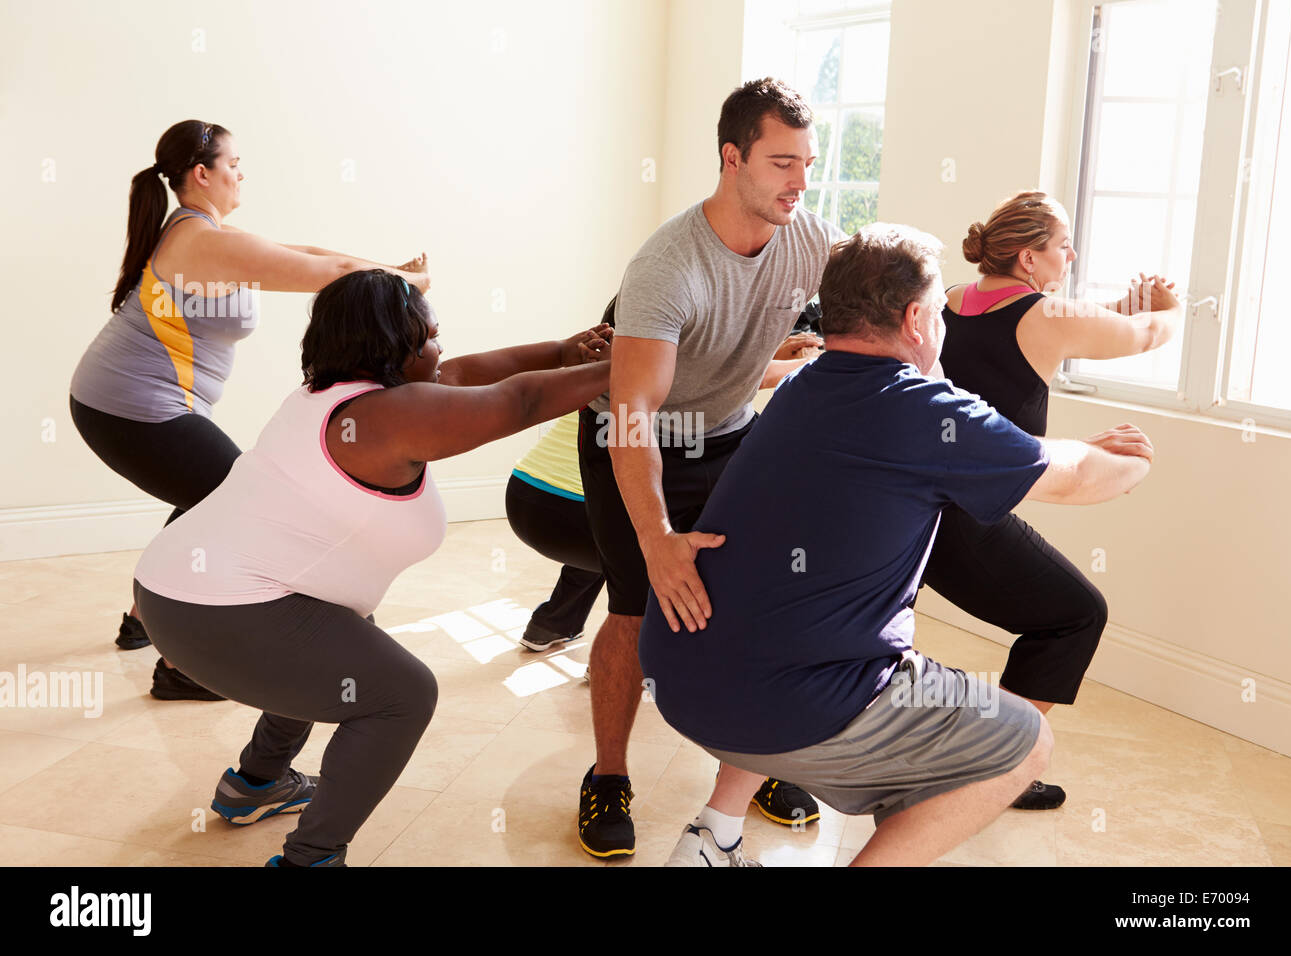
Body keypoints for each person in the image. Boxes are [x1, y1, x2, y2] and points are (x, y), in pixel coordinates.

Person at [639, 224, 1155, 866]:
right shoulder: (921, 411)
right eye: (938, 313)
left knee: (844, 637)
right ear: (915, 319)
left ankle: (711, 839)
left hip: (681, 675)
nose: (942, 325)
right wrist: (1131, 460)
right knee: (1024, 742)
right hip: (783, 705)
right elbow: (1076, 477)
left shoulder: (803, 385)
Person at [132, 268, 612, 867]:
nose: (442, 349)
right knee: (402, 694)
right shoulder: (390, 417)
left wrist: (566, 351)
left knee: (339, 636)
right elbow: (520, 399)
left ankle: (256, 783)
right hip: (216, 616)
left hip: (173, 591)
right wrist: (632, 362)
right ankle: (312, 857)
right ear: (395, 346)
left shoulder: (331, 395)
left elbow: (466, 373)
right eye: (431, 336)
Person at [575, 77, 845, 859]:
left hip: (730, 434)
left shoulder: (811, 239)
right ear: (732, 158)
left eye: (809, 162)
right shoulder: (667, 265)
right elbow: (632, 415)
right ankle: (608, 775)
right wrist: (658, 536)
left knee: (761, 601)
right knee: (635, 608)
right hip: (637, 438)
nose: (800, 181)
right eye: (782, 162)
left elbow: (876, 304)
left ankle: (752, 759)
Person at [70, 119, 431, 701]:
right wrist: (405, 280)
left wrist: (388, 266)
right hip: (127, 404)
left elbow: (310, 254)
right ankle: (181, 666)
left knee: (209, 495)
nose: (242, 173)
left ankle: (144, 615)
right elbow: (329, 275)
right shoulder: (200, 240)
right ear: (202, 173)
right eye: (233, 163)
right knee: (229, 500)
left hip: (135, 402)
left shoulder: (207, 233)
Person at [922, 190, 1183, 809]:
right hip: (965, 518)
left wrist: (1122, 307)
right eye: (1063, 245)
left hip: (914, 506)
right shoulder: (1044, 315)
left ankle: (979, 754)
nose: (1071, 254)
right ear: (1027, 257)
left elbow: (1046, 343)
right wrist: (1170, 308)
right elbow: (1142, 334)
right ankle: (990, 764)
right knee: (1076, 614)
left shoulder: (952, 300)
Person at [508, 296, 820, 654]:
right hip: (577, 510)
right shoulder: (657, 382)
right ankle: (629, 655)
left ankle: (552, 623)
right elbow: (736, 378)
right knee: (662, 544)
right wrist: (810, 364)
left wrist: (774, 351)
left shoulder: (605, 371)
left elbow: (718, 369)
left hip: (528, 499)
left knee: (621, 532)